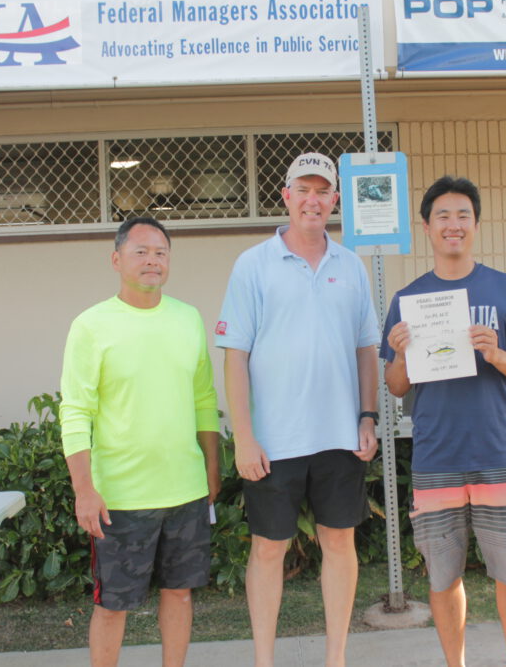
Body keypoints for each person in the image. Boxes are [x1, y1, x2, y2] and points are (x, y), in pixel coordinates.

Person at [215, 152, 380, 667]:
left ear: (335, 199)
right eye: (302, 189)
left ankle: (336, 658)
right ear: (285, 196)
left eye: (323, 190)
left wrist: (368, 417)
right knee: (268, 548)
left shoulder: (350, 266)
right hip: (274, 438)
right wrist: (243, 436)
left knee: (339, 541)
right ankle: (264, 660)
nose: (313, 199)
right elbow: (235, 357)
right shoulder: (253, 264)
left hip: (339, 435)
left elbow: (366, 350)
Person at [380, 176, 506, 667]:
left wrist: (498, 355)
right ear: (426, 227)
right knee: (442, 578)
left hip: (496, 453)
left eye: (463, 216)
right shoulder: (409, 301)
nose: (454, 225)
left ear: (476, 224)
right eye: (443, 217)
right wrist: (401, 353)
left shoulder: (505, 288)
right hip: (436, 457)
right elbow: (395, 386)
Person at [59, 217, 221, 667]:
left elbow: (204, 398)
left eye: (161, 252)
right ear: (116, 259)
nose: (153, 260)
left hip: (185, 490)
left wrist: (212, 467)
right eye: (141, 251)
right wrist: (84, 490)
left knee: (180, 595)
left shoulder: (188, 318)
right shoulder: (91, 325)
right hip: (120, 498)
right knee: (113, 605)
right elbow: (75, 411)